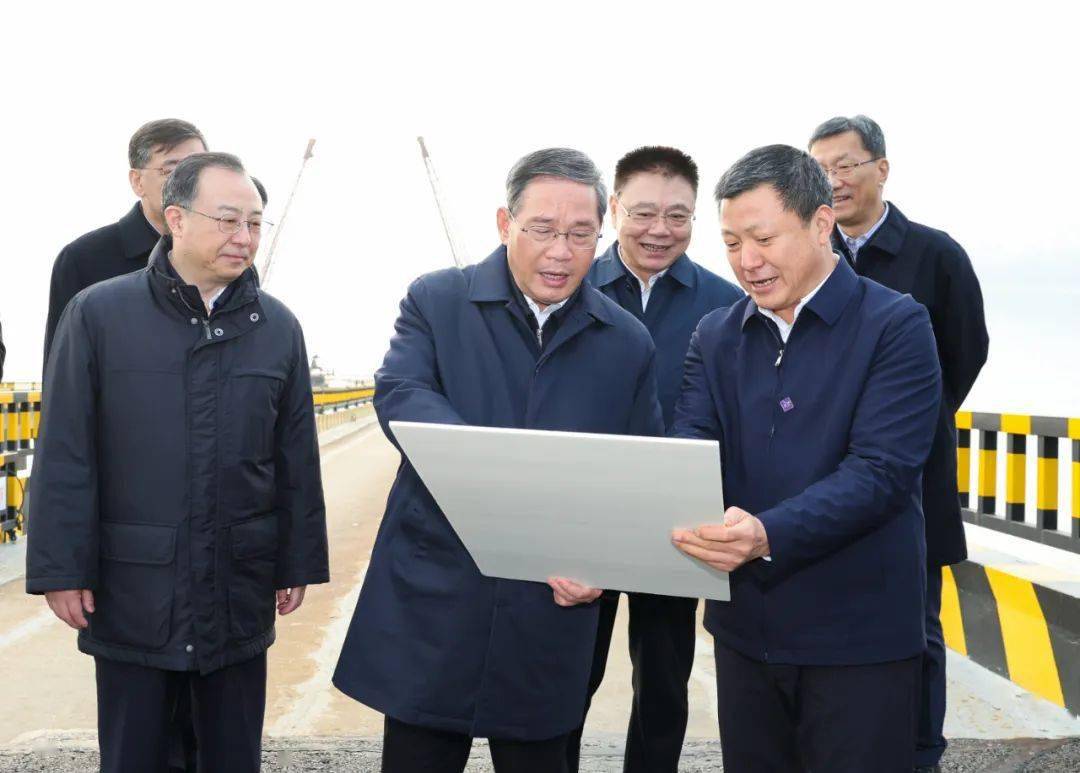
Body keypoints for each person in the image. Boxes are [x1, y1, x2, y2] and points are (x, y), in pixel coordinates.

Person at [333, 148, 664, 773]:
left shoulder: (625, 340)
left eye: (581, 234)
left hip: (550, 603)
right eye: (542, 229)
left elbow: (639, 473)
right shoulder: (438, 300)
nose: (561, 252)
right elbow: (402, 391)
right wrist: (485, 468)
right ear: (505, 223)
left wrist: (603, 562)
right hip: (439, 589)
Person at [26, 152, 327, 773]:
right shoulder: (98, 314)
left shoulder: (277, 327)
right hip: (133, 587)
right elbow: (66, 450)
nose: (243, 237)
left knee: (231, 755)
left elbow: (295, 455)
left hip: (237, 583)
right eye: (227, 219)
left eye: (254, 223)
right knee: (134, 754)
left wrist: (296, 559)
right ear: (176, 219)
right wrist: (61, 567)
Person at [670, 144, 942, 772]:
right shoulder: (715, 334)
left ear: (821, 224)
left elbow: (882, 472)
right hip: (746, 635)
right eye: (732, 243)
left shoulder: (896, 325)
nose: (748, 261)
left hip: (860, 639)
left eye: (764, 238)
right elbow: (689, 449)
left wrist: (767, 534)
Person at [808, 115, 989, 773]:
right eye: (820, 169)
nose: (834, 180)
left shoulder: (935, 255)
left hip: (913, 474)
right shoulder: (809, 253)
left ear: (882, 168)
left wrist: (913, 422)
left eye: (846, 164)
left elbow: (966, 351)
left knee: (916, 623)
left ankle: (919, 751)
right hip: (820, 472)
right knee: (828, 620)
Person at [571, 146, 741, 773]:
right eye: (643, 213)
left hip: (679, 518)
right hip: (583, 512)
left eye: (678, 216)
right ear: (615, 208)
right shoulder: (571, 283)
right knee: (569, 672)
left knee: (664, 680)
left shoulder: (725, 302)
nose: (659, 230)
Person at [44, 118, 207, 363]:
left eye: (196, 170)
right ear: (137, 182)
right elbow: (63, 369)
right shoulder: (84, 260)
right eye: (171, 170)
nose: (188, 182)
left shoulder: (227, 256)